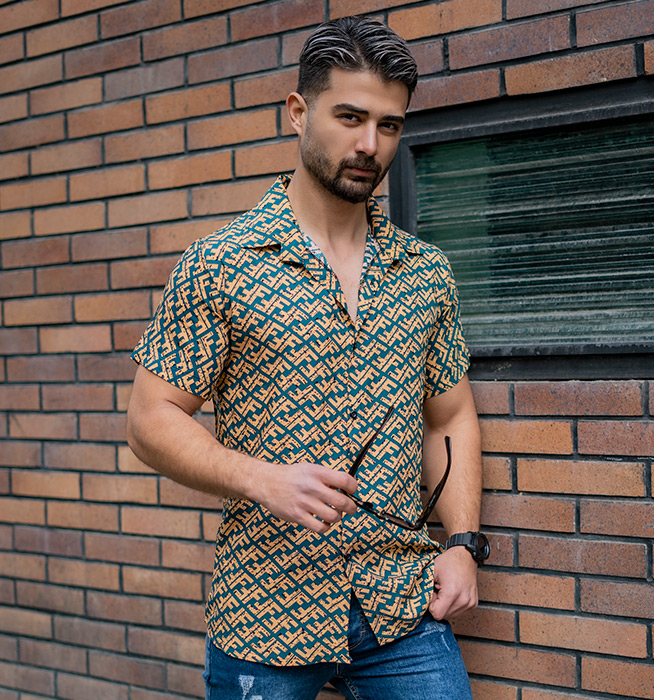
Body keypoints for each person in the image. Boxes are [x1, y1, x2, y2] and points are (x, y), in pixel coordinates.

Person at [127, 15, 487, 700]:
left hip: (401, 607)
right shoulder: (221, 264)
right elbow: (149, 419)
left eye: (388, 125)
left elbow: (450, 417)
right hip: (266, 612)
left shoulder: (426, 273)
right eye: (350, 117)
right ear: (298, 112)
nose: (369, 144)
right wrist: (261, 479)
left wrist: (464, 544)